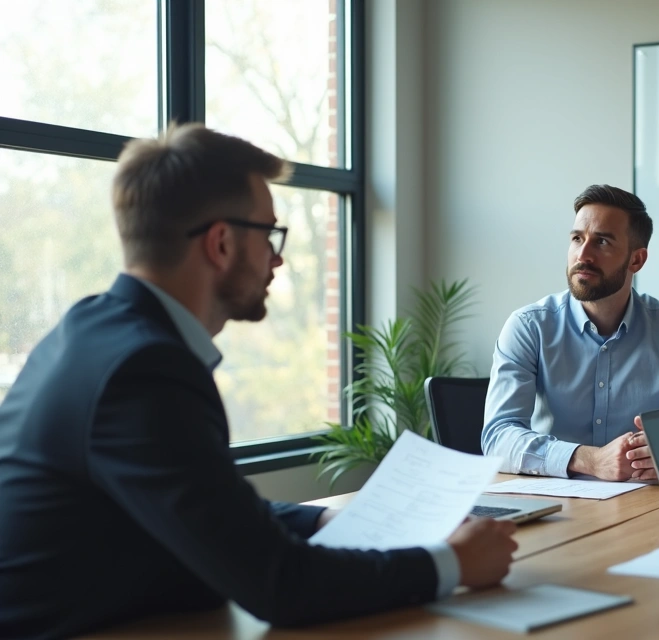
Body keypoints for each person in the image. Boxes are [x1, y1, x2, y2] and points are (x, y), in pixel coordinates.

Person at [0, 124, 517, 639]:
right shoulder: (145, 370)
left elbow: (203, 505)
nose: (278, 258)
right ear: (221, 243)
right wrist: (451, 565)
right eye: (269, 234)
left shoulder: (92, 330)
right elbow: (280, 586)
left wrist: (321, 522)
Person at [483, 184, 659, 481]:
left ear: (636, 260)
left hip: (639, 504)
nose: (583, 255)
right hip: (554, 502)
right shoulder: (528, 326)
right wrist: (589, 459)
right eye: (577, 238)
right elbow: (498, 438)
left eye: (601, 242)